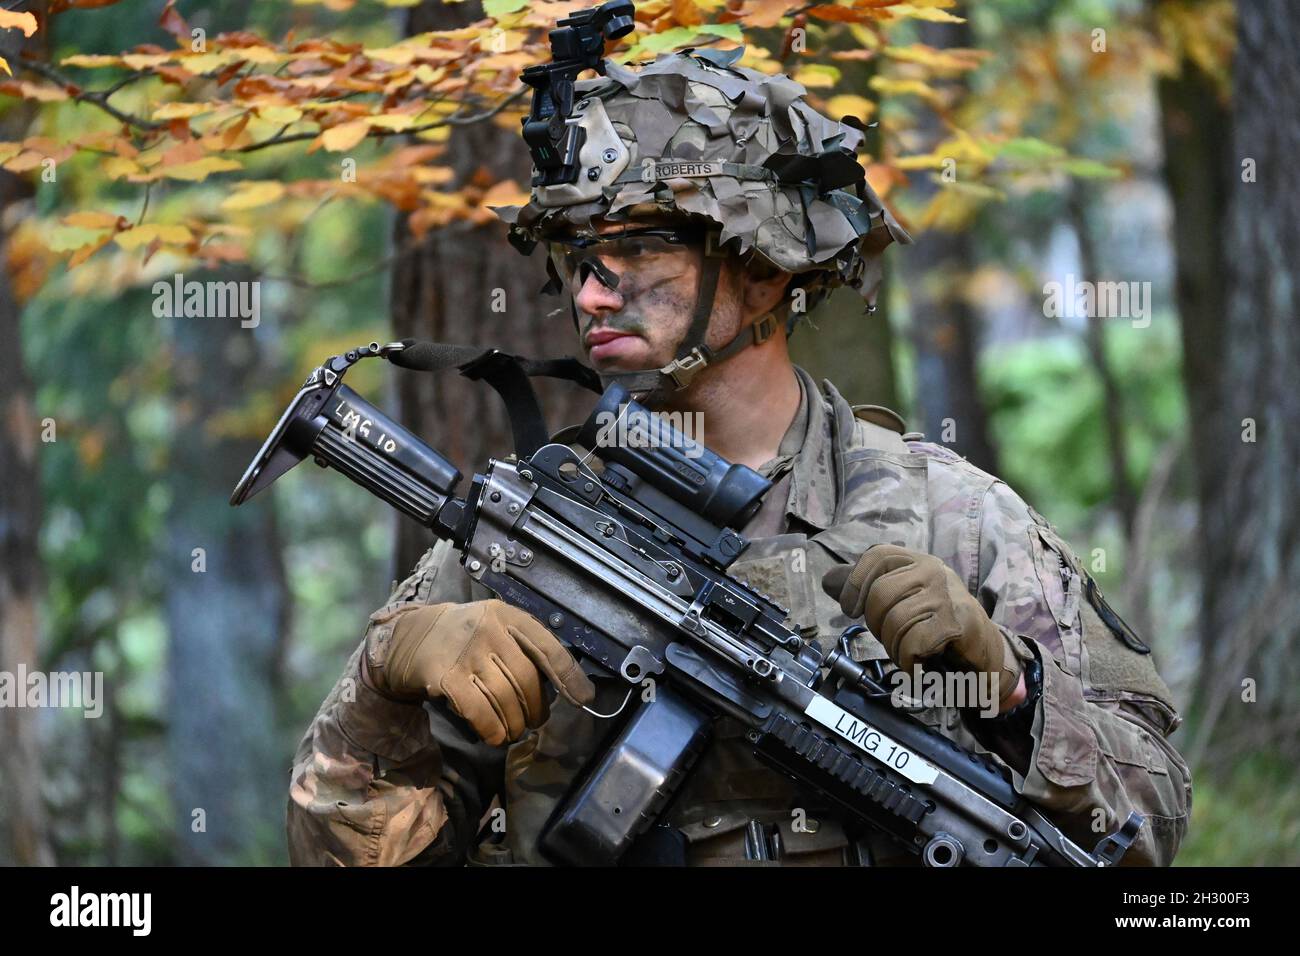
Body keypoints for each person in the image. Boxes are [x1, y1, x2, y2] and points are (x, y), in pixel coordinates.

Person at [286, 45, 1191, 867]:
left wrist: (1010, 683)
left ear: (761, 267)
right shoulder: (524, 540)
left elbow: (1155, 822)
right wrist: (385, 679)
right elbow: (341, 860)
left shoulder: (954, 517)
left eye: (635, 249)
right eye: (575, 255)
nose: (591, 295)